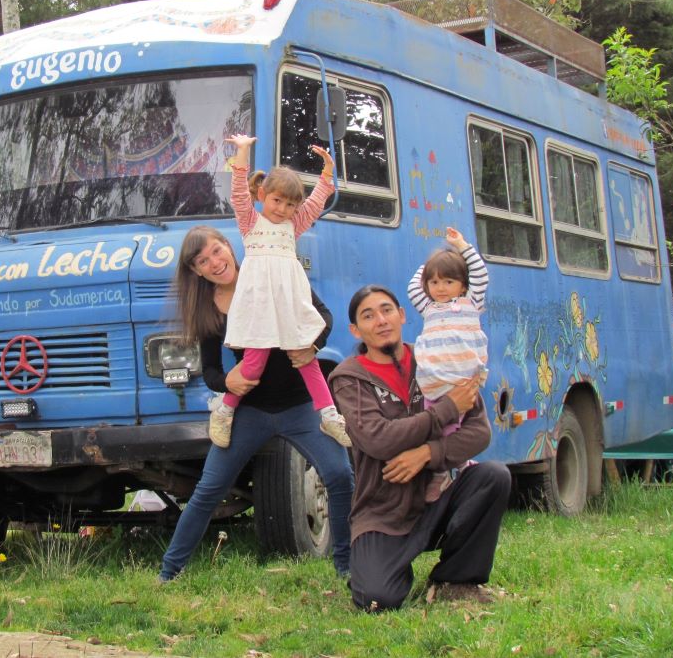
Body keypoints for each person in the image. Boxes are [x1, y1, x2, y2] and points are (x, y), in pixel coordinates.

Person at [159, 226, 353, 582]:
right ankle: (170, 572)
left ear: (229, 248)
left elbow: (323, 315)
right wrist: (226, 382)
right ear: (196, 272)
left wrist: (313, 344)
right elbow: (212, 371)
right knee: (208, 490)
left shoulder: (269, 271)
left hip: (300, 406)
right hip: (250, 412)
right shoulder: (208, 306)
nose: (214, 263)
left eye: (217, 251)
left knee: (340, 475)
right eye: (203, 261)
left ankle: (347, 566)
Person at [328, 284, 510, 611]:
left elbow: (479, 431)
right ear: (356, 329)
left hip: (439, 495)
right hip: (383, 510)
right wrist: (445, 410)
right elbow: (377, 439)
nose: (380, 320)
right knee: (376, 599)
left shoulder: (438, 360)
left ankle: (455, 579)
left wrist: (428, 454)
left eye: (386, 310)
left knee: (494, 476)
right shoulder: (348, 378)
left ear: (401, 315)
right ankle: (371, 571)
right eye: (368, 316)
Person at [208, 134, 349, 449]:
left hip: (288, 303)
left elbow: (315, 203)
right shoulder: (250, 223)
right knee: (253, 363)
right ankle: (225, 409)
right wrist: (243, 152)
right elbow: (238, 192)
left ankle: (328, 415)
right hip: (260, 306)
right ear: (263, 195)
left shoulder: (293, 226)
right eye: (277, 201)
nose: (283, 209)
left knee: (307, 360)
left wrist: (327, 173)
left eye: (290, 204)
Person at [406, 227, 489, 502]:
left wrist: (462, 247)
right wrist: (432, 263)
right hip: (433, 381)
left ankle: (447, 471)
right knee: (436, 425)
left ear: (463, 285)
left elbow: (480, 274)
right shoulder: (428, 308)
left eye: (449, 282)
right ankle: (451, 469)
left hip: (461, 380)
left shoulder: (470, 303)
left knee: (456, 427)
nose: (440, 288)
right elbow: (412, 287)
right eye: (434, 282)